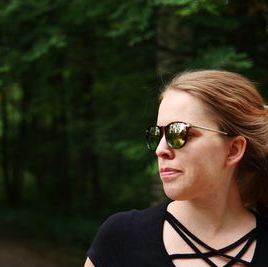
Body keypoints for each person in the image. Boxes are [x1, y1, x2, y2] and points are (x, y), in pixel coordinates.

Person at [84, 70, 268, 267]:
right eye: (156, 135)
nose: (161, 150)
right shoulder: (122, 239)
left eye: (178, 133)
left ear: (233, 150)